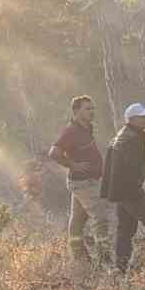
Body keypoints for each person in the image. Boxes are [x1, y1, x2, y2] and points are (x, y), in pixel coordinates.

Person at [99, 102, 145, 274]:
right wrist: (136, 188)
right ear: (133, 119)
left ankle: (120, 268)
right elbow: (131, 168)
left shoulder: (122, 135)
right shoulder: (131, 138)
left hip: (119, 191)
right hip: (128, 191)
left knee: (126, 229)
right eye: (144, 117)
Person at [48, 95, 111, 264]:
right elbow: (54, 153)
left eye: (93, 108)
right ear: (76, 111)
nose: (92, 112)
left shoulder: (86, 127)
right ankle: (105, 261)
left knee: (77, 223)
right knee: (100, 218)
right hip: (83, 183)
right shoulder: (71, 131)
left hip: (87, 182)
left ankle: (80, 261)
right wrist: (72, 165)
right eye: (87, 109)